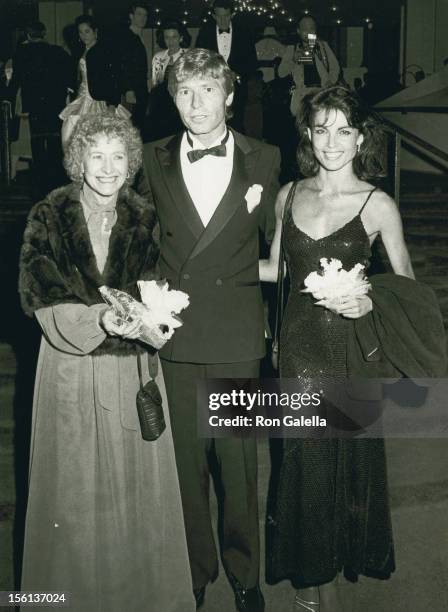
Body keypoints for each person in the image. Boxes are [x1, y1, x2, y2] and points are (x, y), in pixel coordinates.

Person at [18, 111, 195, 612]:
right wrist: (100, 320)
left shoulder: (144, 215)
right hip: (70, 372)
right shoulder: (48, 214)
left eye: (118, 156)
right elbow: (43, 299)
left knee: (131, 495)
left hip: (128, 372)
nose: (107, 167)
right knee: (72, 495)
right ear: (78, 159)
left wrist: (156, 320)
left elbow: (155, 286)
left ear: (131, 162)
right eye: (96, 154)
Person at [260, 86, 414, 611]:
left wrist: (369, 303)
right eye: (321, 129)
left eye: (343, 130)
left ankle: (333, 568)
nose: (331, 142)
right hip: (299, 351)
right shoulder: (288, 195)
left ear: (360, 137)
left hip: (351, 352)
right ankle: (311, 586)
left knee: (349, 466)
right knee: (304, 465)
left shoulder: (377, 204)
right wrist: (205, 260)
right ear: (308, 134)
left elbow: (406, 287)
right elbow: (274, 270)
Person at [140, 48, 280, 611]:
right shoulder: (151, 159)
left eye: (206, 92)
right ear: (172, 98)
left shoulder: (265, 158)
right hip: (174, 334)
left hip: (237, 333)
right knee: (186, 466)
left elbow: (280, 243)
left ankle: (246, 574)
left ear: (228, 96)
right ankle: (194, 570)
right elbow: (140, 241)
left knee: (238, 465)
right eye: (183, 92)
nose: (195, 104)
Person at [9, 21, 72, 196]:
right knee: (54, 141)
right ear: (44, 33)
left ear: (28, 35)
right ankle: (56, 183)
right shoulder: (57, 51)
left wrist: (9, 97)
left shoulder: (22, 53)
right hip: (55, 103)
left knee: (37, 142)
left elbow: (16, 80)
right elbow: (68, 77)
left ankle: (40, 184)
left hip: (35, 103)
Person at [196, 0, 258, 132]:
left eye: (226, 16)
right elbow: (199, 61)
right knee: (213, 123)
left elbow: (253, 62)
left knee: (237, 125)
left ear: (232, 14)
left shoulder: (245, 33)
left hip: (238, 89)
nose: (222, 20)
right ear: (213, 16)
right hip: (211, 88)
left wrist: (239, 74)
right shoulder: (204, 33)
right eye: (219, 16)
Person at [60, 15, 122, 146]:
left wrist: (112, 104)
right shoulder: (79, 51)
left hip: (99, 100)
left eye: (87, 31)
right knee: (71, 135)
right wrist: (69, 93)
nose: (83, 36)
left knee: (97, 138)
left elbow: (114, 78)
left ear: (95, 31)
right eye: (80, 32)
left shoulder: (105, 51)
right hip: (81, 97)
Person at [278, 15, 340, 117]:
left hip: (321, 94)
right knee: (303, 128)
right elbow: (281, 73)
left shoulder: (323, 46)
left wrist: (330, 82)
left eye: (311, 28)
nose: (308, 31)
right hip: (302, 97)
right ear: (298, 31)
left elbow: (335, 66)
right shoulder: (292, 49)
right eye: (304, 28)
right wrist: (293, 60)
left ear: (315, 30)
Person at [146, 19, 190, 141]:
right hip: (161, 105)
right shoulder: (158, 57)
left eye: (174, 37)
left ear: (181, 37)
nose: (170, 41)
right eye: (167, 37)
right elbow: (155, 84)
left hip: (180, 104)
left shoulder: (188, 56)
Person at [119, 2, 150, 131]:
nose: (143, 18)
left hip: (140, 89)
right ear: (131, 16)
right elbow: (123, 65)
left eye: (145, 15)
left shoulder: (138, 36)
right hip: (132, 91)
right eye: (139, 14)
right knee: (132, 127)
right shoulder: (126, 37)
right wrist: (128, 90)